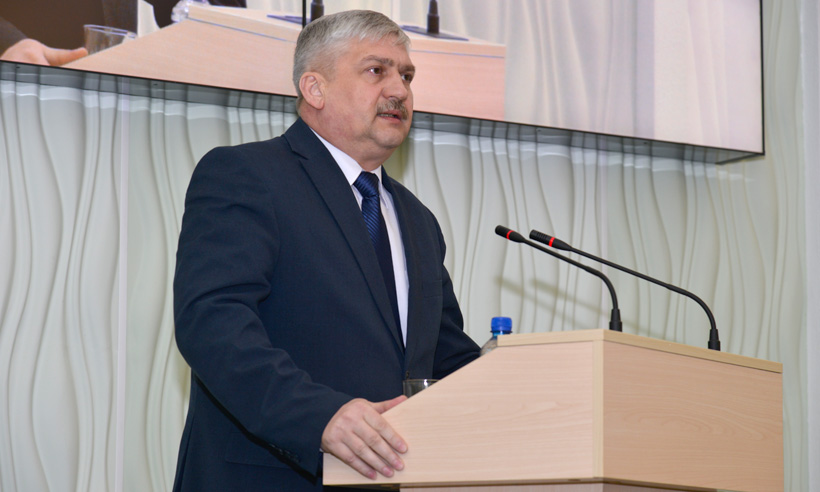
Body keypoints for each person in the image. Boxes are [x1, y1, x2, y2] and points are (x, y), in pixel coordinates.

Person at [171, 9, 480, 492]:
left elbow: (445, 357)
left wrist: (535, 387)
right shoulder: (247, 175)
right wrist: (320, 416)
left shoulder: (418, 220)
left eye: (406, 76)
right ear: (314, 89)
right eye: (376, 71)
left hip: (392, 477)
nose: (399, 91)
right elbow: (212, 323)